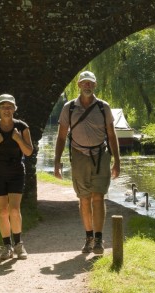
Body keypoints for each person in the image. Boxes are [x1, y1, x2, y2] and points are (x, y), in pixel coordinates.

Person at [54, 71, 120, 254]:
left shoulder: (103, 107)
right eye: (84, 83)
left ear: (95, 85)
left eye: (90, 83)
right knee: (84, 199)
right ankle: (88, 237)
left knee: (98, 197)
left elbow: (112, 135)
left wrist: (117, 161)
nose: (87, 86)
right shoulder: (69, 108)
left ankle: (98, 239)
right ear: (78, 85)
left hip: (101, 156)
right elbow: (60, 137)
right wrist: (57, 162)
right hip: (79, 156)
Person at [0, 94, 33, 260]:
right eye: (3, 107)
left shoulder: (22, 127)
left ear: (14, 109)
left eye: (9, 106)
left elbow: (28, 151)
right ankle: (7, 246)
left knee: (14, 209)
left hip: (16, 172)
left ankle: (18, 245)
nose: (6, 110)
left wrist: (18, 139)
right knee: (2, 211)